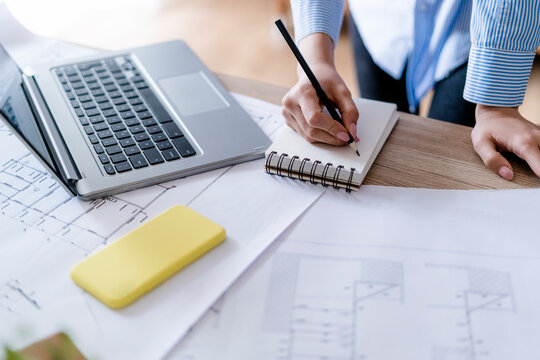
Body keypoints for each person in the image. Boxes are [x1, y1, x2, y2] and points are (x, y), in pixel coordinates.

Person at [282, 0, 540, 181]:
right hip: (378, 21)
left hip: (477, 26)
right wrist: (315, 59)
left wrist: (497, 105)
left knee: (452, 166)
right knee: (381, 154)